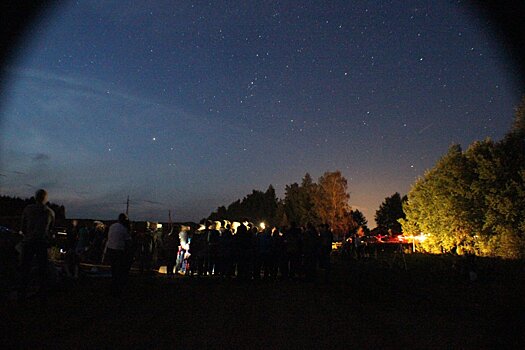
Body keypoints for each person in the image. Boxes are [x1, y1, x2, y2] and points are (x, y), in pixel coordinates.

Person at [18, 189, 55, 302]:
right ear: (46, 199)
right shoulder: (50, 212)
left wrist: (28, 234)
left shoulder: (28, 209)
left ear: (35, 197)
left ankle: (22, 292)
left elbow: (23, 227)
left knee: (25, 267)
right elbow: (50, 230)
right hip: (42, 243)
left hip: (28, 242)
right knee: (42, 268)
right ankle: (42, 293)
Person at [105, 213, 132, 298]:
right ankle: (118, 288)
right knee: (120, 270)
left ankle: (113, 285)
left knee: (114, 269)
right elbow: (128, 241)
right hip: (119, 251)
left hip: (110, 249)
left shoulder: (112, 226)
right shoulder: (124, 229)